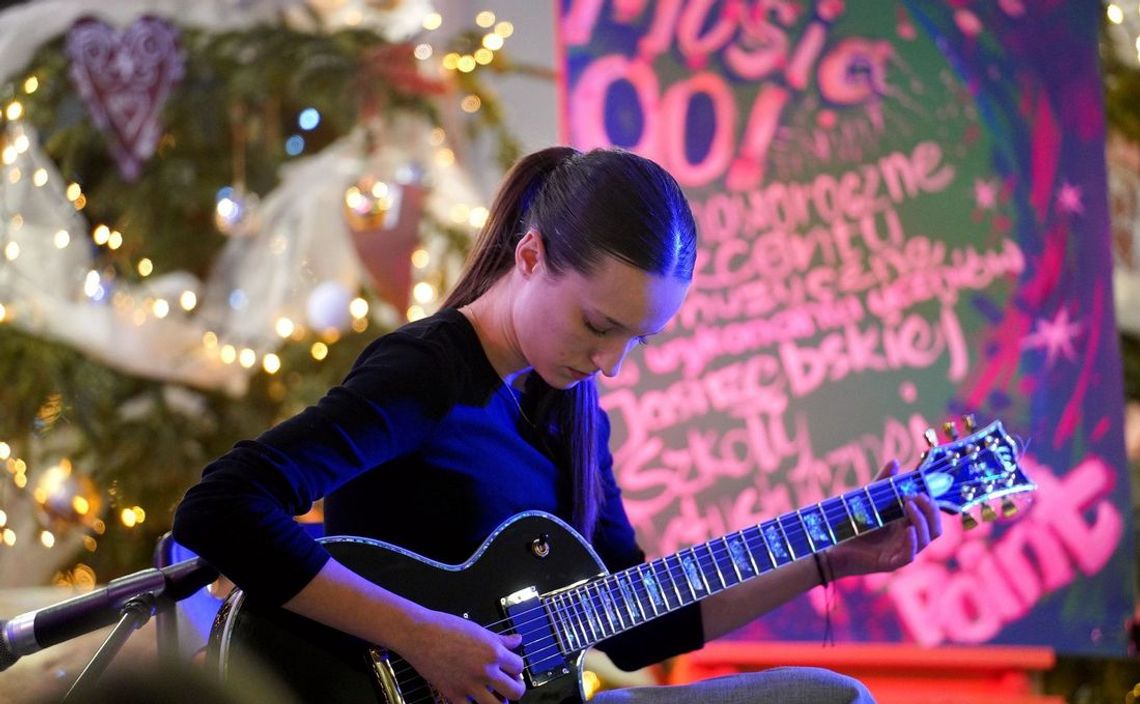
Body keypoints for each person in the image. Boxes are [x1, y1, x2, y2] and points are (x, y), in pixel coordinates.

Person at [173, 146, 942, 704]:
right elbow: (221, 508)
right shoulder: (428, 371)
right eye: (598, 325)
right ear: (531, 256)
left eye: (636, 340)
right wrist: (420, 636)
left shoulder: (570, 406)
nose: (610, 363)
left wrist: (828, 562)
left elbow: (638, 626)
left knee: (829, 699)